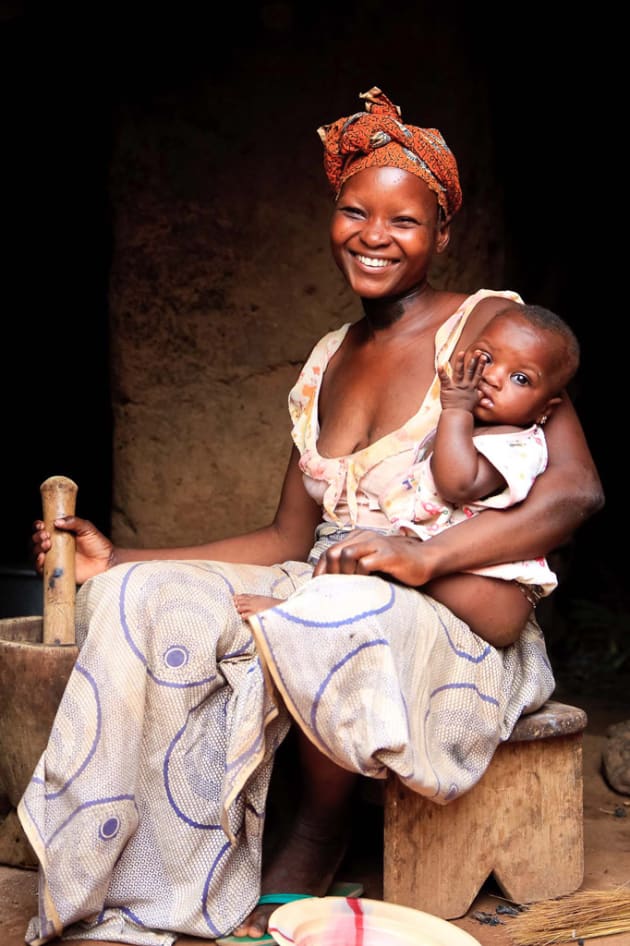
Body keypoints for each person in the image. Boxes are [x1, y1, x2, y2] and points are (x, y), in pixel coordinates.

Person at [21, 86, 603, 946]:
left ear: (442, 235)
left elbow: (572, 494)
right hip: (329, 574)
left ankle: (317, 832)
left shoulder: (492, 329)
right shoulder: (325, 360)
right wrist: (126, 562)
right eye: (354, 211)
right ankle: (155, 871)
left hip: (449, 616)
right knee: (142, 603)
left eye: (405, 221)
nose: (374, 235)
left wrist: (422, 558)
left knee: (336, 605)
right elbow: (286, 541)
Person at [235, 300, 580, 622]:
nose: (492, 377)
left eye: (520, 379)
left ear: (545, 410)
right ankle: (303, 609)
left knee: (371, 571)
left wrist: (456, 410)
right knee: (363, 567)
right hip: (445, 569)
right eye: (485, 360)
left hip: (481, 584)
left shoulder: (516, 445)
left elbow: (455, 483)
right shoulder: (478, 431)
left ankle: (296, 615)